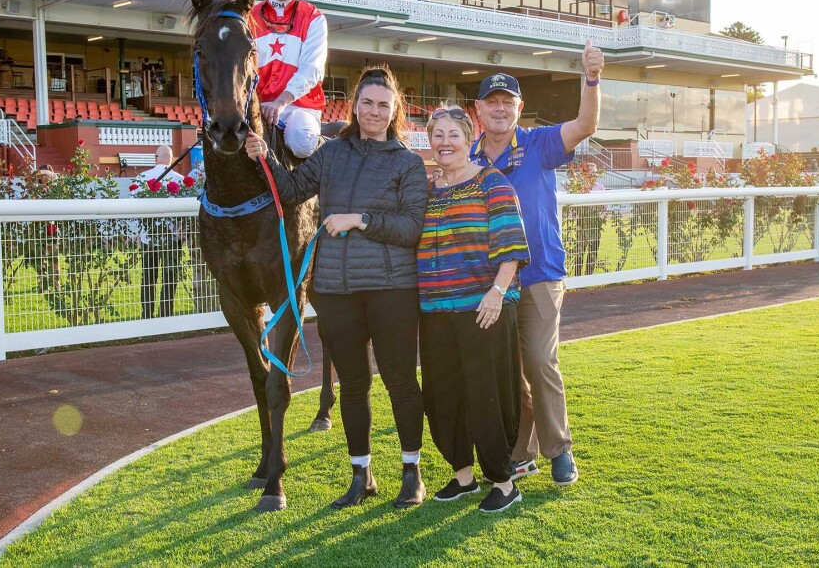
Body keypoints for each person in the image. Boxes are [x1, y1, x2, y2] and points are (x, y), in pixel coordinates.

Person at [245, 65, 428, 510]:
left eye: (383, 105)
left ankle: (412, 473)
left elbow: (411, 228)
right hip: (335, 290)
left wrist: (359, 220)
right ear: (354, 106)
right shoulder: (330, 154)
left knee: (400, 382)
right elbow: (291, 191)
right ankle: (361, 475)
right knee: (353, 386)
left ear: (395, 110)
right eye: (366, 102)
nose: (374, 111)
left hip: (390, 290)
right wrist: (264, 155)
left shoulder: (408, 163)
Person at [469, 41, 604, 487]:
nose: (500, 109)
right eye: (492, 101)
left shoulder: (539, 143)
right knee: (509, 371)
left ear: (519, 108)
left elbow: (586, 124)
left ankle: (559, 449)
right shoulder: (468, 158)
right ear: (478, 110)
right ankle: (521, 452)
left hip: (540, 273)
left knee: (540, 362)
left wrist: (591, 79)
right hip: (491, 281)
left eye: (507, 102)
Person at [418, 106, 530, 513]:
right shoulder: (426, 191)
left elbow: (512, 248)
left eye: (454, 135)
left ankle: (503, 481)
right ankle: (463, 476)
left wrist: (496, 293)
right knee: (443, 396)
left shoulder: (492, 183)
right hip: (434, 310)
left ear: (469, 140)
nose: (445, 142)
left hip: (483, 308)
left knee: (488, 395)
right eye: (438, 135)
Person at [248, 0, 327, 159]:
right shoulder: (248, 17)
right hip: (257, 106)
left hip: (299, 107)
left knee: (301, 141)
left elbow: (311, 70)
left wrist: (280, 103)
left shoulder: (314, 18)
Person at [135, 146, 184, 319]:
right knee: (170, 277)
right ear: (172, 158)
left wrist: (138, 233)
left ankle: (147, 314)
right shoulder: (180, 179)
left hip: (148, 237)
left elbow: (135, 208)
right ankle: (166, 314)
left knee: (148, 277)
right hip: (172, 237)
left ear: (156, 157)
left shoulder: (142, 177)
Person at [573, 162, 607, 277]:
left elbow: (605, 207)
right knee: (580, 251)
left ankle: (589, 277)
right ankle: (577, 277)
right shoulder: (579, 186)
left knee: (593, 251)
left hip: (595, 223)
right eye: (591, 172)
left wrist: (600, 218)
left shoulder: (600, 188)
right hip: (582, 223)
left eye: (595, 172)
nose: (594, 174)